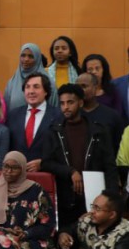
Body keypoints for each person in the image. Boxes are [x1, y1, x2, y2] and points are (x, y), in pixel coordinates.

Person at [43, 84, 119, 227]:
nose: (65, 107)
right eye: (62, 103)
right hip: (65, 196)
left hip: (94, 195)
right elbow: (46, 162)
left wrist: (111, 197)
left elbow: (109, 166)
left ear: (81, 103)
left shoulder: (98, 130)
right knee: (67, 239)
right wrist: (70, 171)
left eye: (70, 102)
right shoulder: (54, 130)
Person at [7, 73, 62, 168]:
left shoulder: (58, 115)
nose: (31, 91)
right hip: (17, 174)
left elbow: (61, 149)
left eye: (36, 87)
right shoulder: (13, 115)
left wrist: (44, 163)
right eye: (27, 87)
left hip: (46, 175)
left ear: (46, 91)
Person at [77, 72, 124, 148]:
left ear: (95, 88)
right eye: (78, 87)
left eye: (84, 86)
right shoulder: (72, 115)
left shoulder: (112, 116)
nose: (80, 90)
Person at [4, 43, 54, 113]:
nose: (26, 59)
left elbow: (54, 107)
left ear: (37, 59)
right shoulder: (12, 83)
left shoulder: (48, 82)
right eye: (23, 55)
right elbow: (6, 109)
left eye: (31, 56)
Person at [82, 54, 124, 119]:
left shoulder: (112, 91)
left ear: (103, 70)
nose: (94, 72)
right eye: (90, 69)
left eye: (97, 68)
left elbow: (117, 115)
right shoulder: (81, 92)